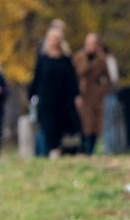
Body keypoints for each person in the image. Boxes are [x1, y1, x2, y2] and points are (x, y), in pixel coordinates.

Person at [30, 27, 81, 158]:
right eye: (51, 39)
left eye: (55, 39)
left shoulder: (66, 59)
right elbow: (36, 78)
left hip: (64, 99)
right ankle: (51, 149)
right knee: (48, 125)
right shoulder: (42, 59)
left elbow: (72, 79)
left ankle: (62, 149)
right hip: (46, 99)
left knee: (64, 124)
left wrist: (77, 95)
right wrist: (31, 95)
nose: (53, 42)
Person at [73, 33, 113, 155]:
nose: (91, 46)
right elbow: (77, 74)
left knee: (94, 124)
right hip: (82, 94)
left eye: (94, 44)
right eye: (89, 43)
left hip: (95, 96)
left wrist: (102, 90)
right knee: (84, 123)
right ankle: (83, 148)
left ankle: (90, 149)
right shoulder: (79, 57)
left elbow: (107, 79)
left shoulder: (101, 60)